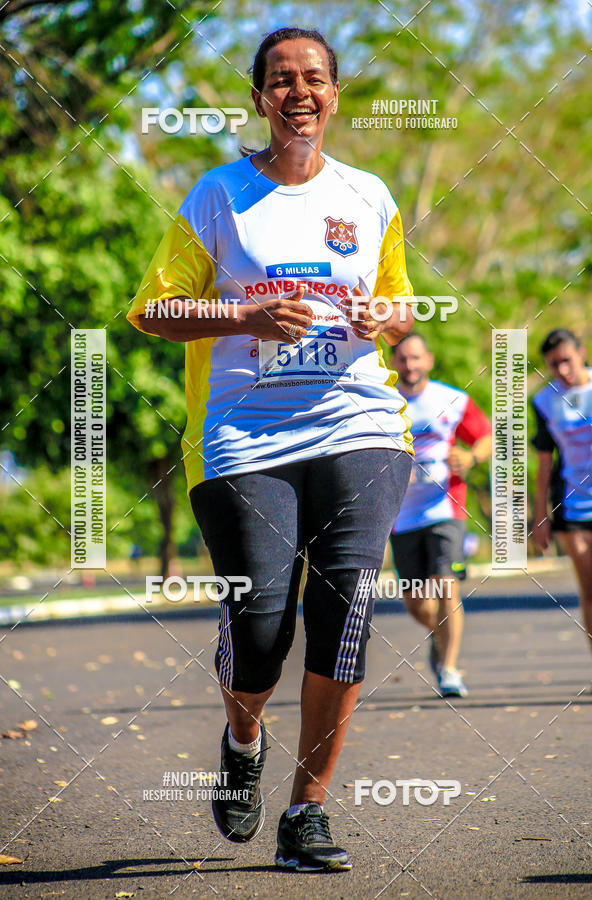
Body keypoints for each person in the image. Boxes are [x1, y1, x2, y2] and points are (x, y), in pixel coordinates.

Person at [127, 27, 415, 871]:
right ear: (259, 97)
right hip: (242, 433)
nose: (299, 91)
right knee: (259, 627)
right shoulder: (216, 195)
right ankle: (242, 739)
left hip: (360, 421)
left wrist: (385, 317)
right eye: (281, 79)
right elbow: (153, 310)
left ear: (334, 95)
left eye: (315, 78)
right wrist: (245, 317)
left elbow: (400, 303)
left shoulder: (369, 197)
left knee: (347, 604)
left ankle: (307, 814)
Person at [389, 333, 492, 697]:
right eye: (403, 359)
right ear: (394, 363)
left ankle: (449, 669)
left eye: (416, 358)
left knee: (447, 583)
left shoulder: (451, 398)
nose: (410, 365)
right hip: (401, 515)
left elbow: (487, 436)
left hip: (446, 506)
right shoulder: (385, 402)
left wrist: (471, 457)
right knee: (416, 603)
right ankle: (440, 633)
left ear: (428, 360)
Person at [532, 328, 592, 693]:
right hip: (574, 506)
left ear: (582, 353)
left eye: (566, 360)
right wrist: (540, 515)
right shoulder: (545, 402)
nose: (561, 369)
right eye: (553, 364)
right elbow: (544, 463)